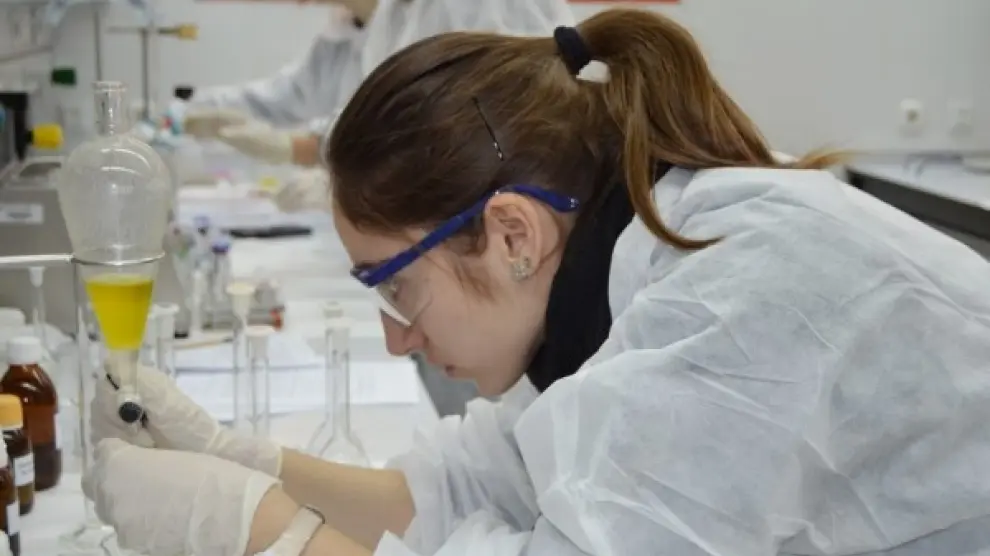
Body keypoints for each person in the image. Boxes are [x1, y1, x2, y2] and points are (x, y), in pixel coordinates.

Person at [84, 8, 990, 556]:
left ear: (511, 233)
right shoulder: (610, 274)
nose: (397, 338)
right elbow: (473, 489)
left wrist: (258, 532)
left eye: (395, 288)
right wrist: (245, 462)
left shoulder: (732, 295)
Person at [182, 0, 574, 169]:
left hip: (508, 203)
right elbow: (385, 113)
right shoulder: (398, 14)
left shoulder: (471, 7)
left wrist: (307, 150)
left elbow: (487, 114)